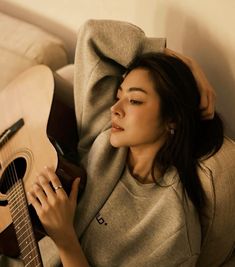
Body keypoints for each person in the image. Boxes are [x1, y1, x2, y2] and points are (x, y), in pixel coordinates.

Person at [2, 20, 224, 266]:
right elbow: (94, 36)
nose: (115, 109)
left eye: (135, 101)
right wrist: (183, 64)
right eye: (119, 96)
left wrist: (65, 239)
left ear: (172, 119)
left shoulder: (172, 228)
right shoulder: (105, 139)